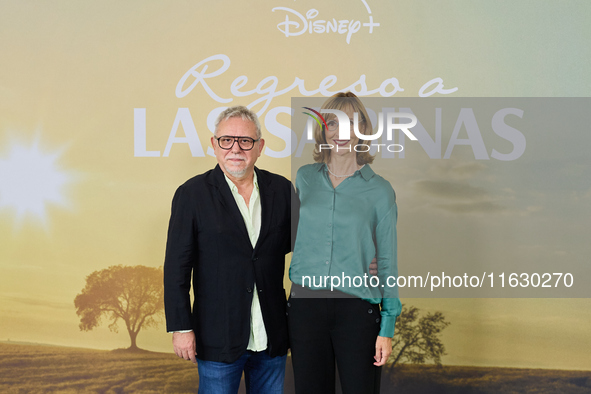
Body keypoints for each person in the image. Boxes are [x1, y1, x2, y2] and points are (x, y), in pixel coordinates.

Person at [163, 106, 295, 394]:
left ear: (259, 147)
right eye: (226, 140)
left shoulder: (283, 191)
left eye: (245, 141)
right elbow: (176, 268)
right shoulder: (192, 194)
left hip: (271, 335)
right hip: (217, 337)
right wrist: (181, 328)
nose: (236, 148)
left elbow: (304, 248)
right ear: (214, 145)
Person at [288, 92, 402, 394]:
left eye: (351, 123)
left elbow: (388, 261)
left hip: (357, 311)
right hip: (305, 308)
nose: (341, 133)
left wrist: (387, 326)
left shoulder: (380, 191)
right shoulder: (304, 179)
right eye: (333, 123)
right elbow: (288, 238)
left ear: (363, 129)